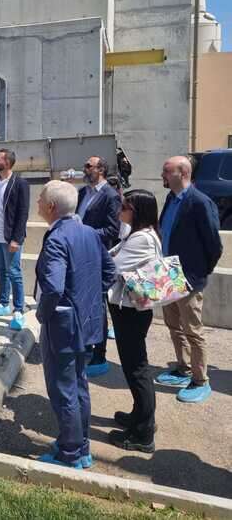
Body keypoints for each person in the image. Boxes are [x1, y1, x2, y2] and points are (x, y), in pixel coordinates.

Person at [35, 181, 116, 469]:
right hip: (86, 322)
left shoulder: (57, 238)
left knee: (63, 389)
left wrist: (44, 314)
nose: (37, 202)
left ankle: (70, 453)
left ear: (52, 207)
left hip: (63, 325)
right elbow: (110, 271)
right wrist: (89, 300)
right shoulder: (89, 233)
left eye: (41, 198)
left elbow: (53, 287)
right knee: (79, 385)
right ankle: (81, 447)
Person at [155, 156, 222, 403]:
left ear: (182, 173)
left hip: (189, 277)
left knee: (193, 331)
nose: (162, 175)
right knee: (174, 326)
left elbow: (214, 245)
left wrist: (200, 273)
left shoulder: (200, 202)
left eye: (166, 170)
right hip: (168, 273)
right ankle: (183, 369)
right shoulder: (171, 198)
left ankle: (200, 379)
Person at [107, 190, 160, 453]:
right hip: (130, 310)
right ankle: (139, 414)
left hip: (131, 312)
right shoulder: (137, 234)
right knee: (133, 367)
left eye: (125, 207)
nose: (120, 212)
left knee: (137, 369)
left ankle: (143, 433)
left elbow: (112, 267)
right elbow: (113, 253)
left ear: (137, 211)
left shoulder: (142, 239)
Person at [77, 156, 122, 376]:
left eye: (88, 166)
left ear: (101, 170)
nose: (84, 169)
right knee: (84, 303)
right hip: (81, 254)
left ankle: (100, 354)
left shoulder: (110, 196)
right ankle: (85, 345)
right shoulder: (83, 193)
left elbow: (112, 231)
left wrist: (85, 234)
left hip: (98, 256)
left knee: (98, 307)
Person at [0, 149, 30, 330]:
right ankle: (3, 304)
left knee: (14, 272)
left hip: (10, 238)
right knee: (1, 270)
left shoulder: (19, 184)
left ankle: (18, 309)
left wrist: (16, 239)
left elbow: (22, 214)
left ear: (8, 163)